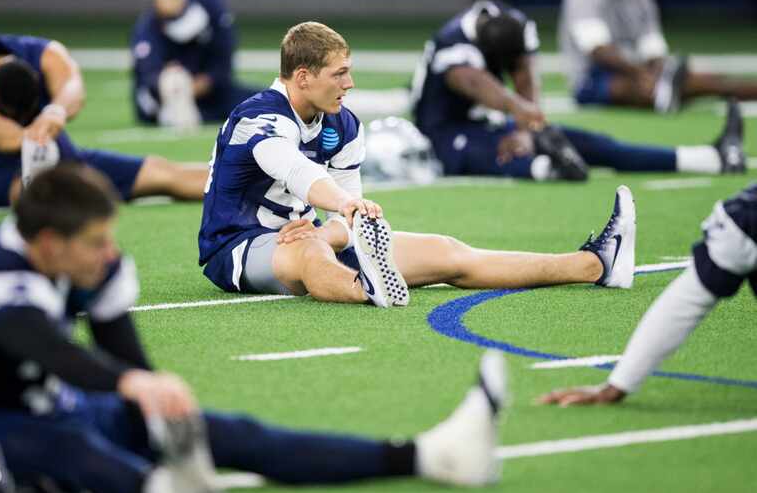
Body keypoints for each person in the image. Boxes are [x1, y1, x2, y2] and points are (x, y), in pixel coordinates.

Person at [0, 164, 508, 493]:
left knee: (228, 432)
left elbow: (125, 356)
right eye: (95, 242)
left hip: (52, 405)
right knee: (69, 451)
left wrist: (158, 407)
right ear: (49, 243)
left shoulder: (88, 265)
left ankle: (427, 455)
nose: (109, 254)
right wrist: (133, 384)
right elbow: (45, 347)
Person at [198, 21, 638, 310]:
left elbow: (344, 212)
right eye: (339, 74)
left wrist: (336, 224)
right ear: (302, 77)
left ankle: (595, 263)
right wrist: (343, 213)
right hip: (238, 247)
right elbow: (298, 172)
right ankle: (366, 290)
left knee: (448, 251)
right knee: (309, 253)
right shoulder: (259, 117)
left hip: (309, 237)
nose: (349, 84)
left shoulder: (343, 123)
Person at [410, 0, 747, 181]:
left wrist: (530, 127)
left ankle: (710, 158)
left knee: (590, 142)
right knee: (491, 152)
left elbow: (525, 75)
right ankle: (549, 168)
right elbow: (473, 82)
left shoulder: (512, 25)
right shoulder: (453, 42)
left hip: (491, 123)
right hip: (443, 134)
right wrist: (520, 112)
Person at [540, 183, 756, 406]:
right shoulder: (746, 217)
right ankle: (600, 261)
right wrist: (618, 384)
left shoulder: (745, 216)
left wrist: (618, 384)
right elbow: (691, 297)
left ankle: (599, 262)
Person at [0, 31, 209, 208]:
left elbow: (73, 88)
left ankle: (246, 182)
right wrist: (33, 134)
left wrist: (55, 111)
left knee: (162, 172)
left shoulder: (45, 55)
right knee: (41, 195)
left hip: (61, 157)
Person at [559, 0, 757, 112]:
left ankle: (670, 92)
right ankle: (667, 93)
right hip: (592, 78)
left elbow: (652, 49)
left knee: (709, 81)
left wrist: (659, 71)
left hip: (640, 71)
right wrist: (643, 74)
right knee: (652, 89)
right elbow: (598, 51)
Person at [131, 0, 262, 128]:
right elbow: (148, 76)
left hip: (213, 91)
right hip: (166, 98)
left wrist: (205, 82)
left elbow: (223, 64)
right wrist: (175, 85)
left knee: (262, 101)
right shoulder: (146, 33)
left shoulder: (210, 6)